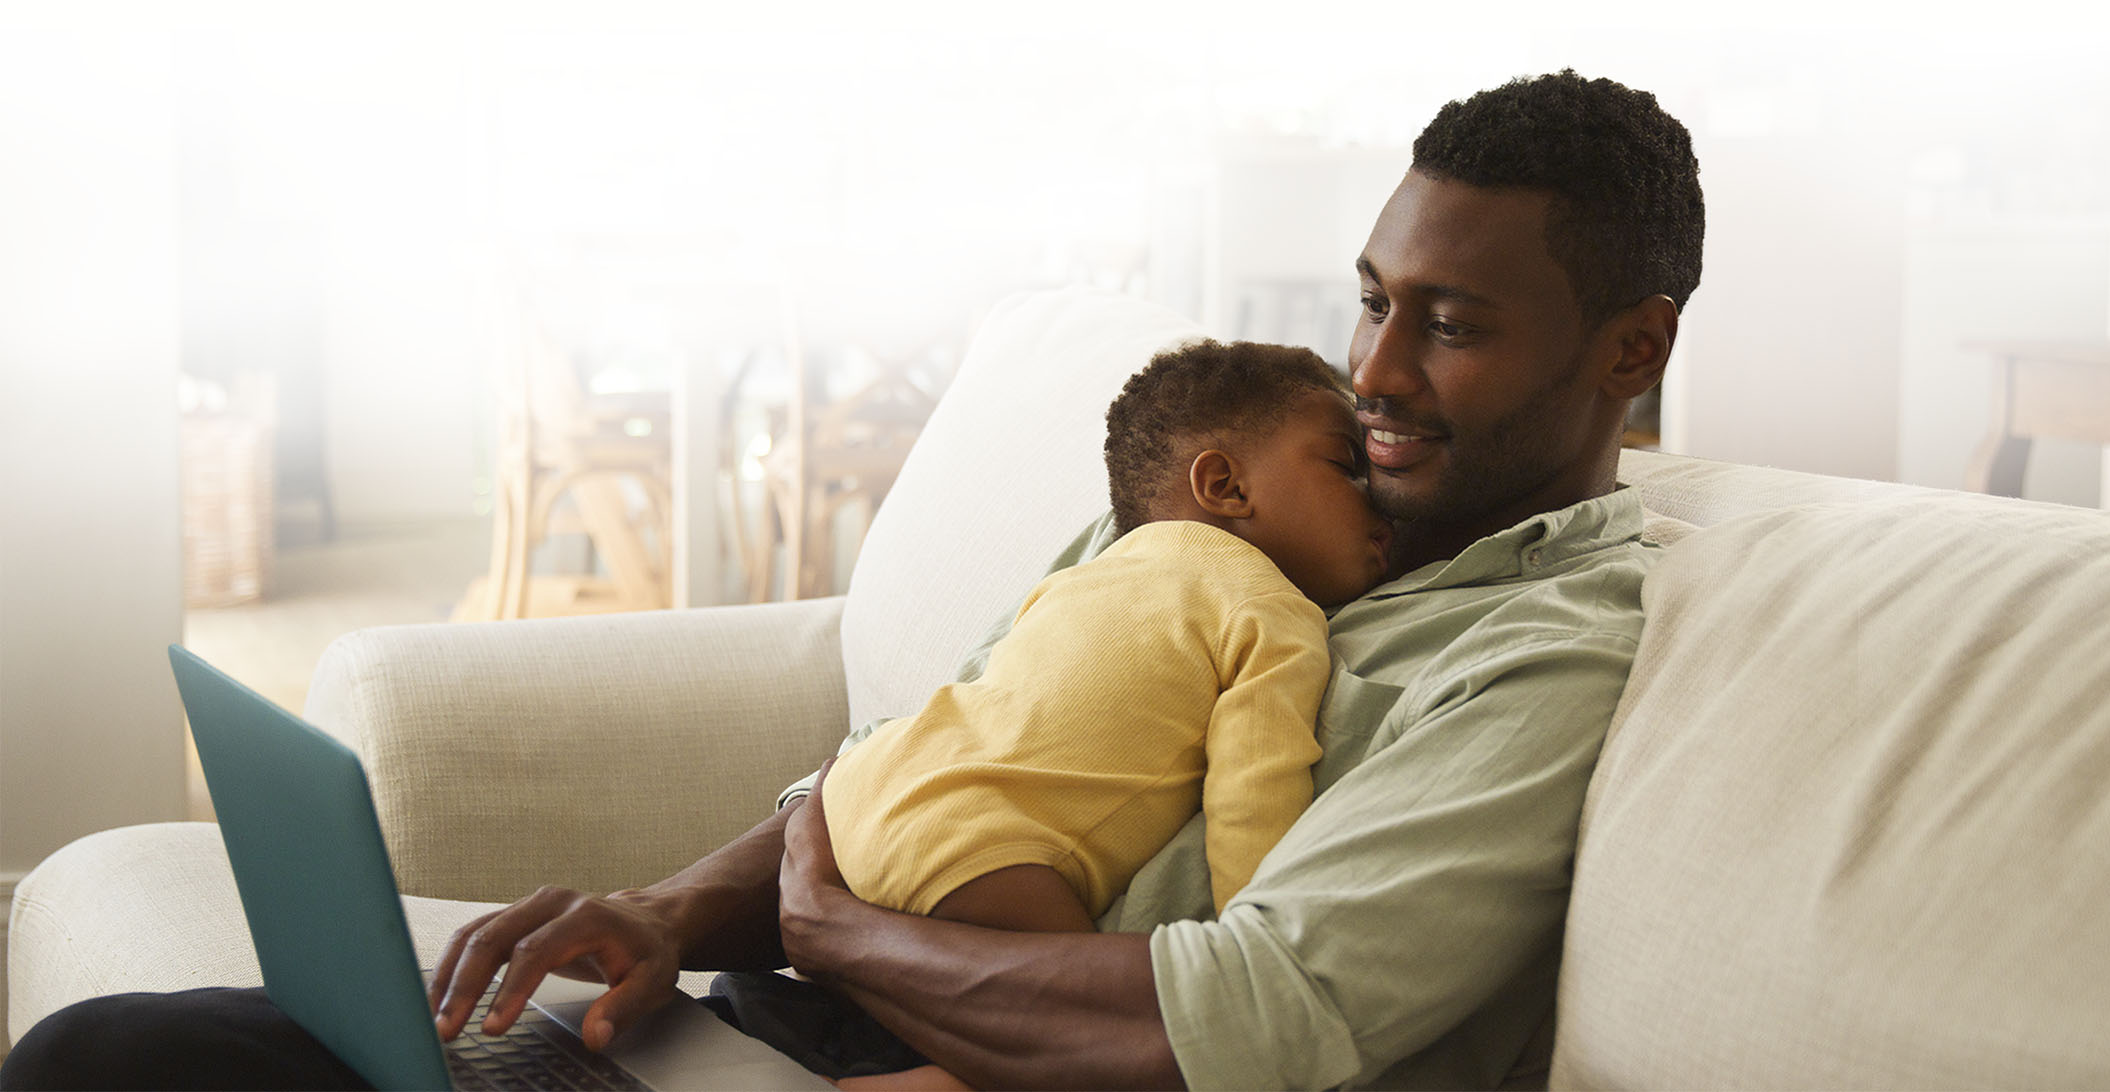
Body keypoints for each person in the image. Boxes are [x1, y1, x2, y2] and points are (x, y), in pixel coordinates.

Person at [0, 68, 1702, 1091]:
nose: (1375, 370)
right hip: (783, 1016)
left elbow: (1245, 1014)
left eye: (1450, 323)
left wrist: (834, 922)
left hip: (902, 1056)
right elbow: (913, 755)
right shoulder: (1241, 500)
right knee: (130, 1052)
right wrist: (670, 912)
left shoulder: (1545, 648)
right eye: (1372, 298)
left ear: (1629, 348)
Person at [710, 339, 1391, 1078]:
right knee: (1079, 1035)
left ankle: (797, 1029)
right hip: (984, 848)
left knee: (917, 1010)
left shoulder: (1085, 575)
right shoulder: (1271, 609)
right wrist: (1248, 933)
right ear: (1224, 485)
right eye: (1345, 467)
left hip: (860, 795)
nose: (1376, 499)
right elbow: (1255, 789)